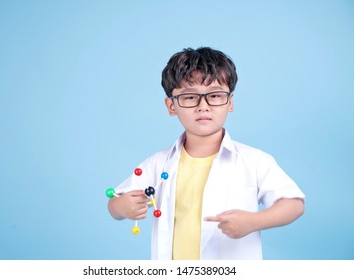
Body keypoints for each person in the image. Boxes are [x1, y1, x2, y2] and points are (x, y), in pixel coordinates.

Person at [107, 47, 305, 260]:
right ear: (171, 106)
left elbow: (294, 204)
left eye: (215, 95)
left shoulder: (254, 161)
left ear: (229, 102)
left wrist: (253, 222)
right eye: (190, 97)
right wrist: (122, 206)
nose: (203, 106)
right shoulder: (157, 163)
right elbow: (115, 204)